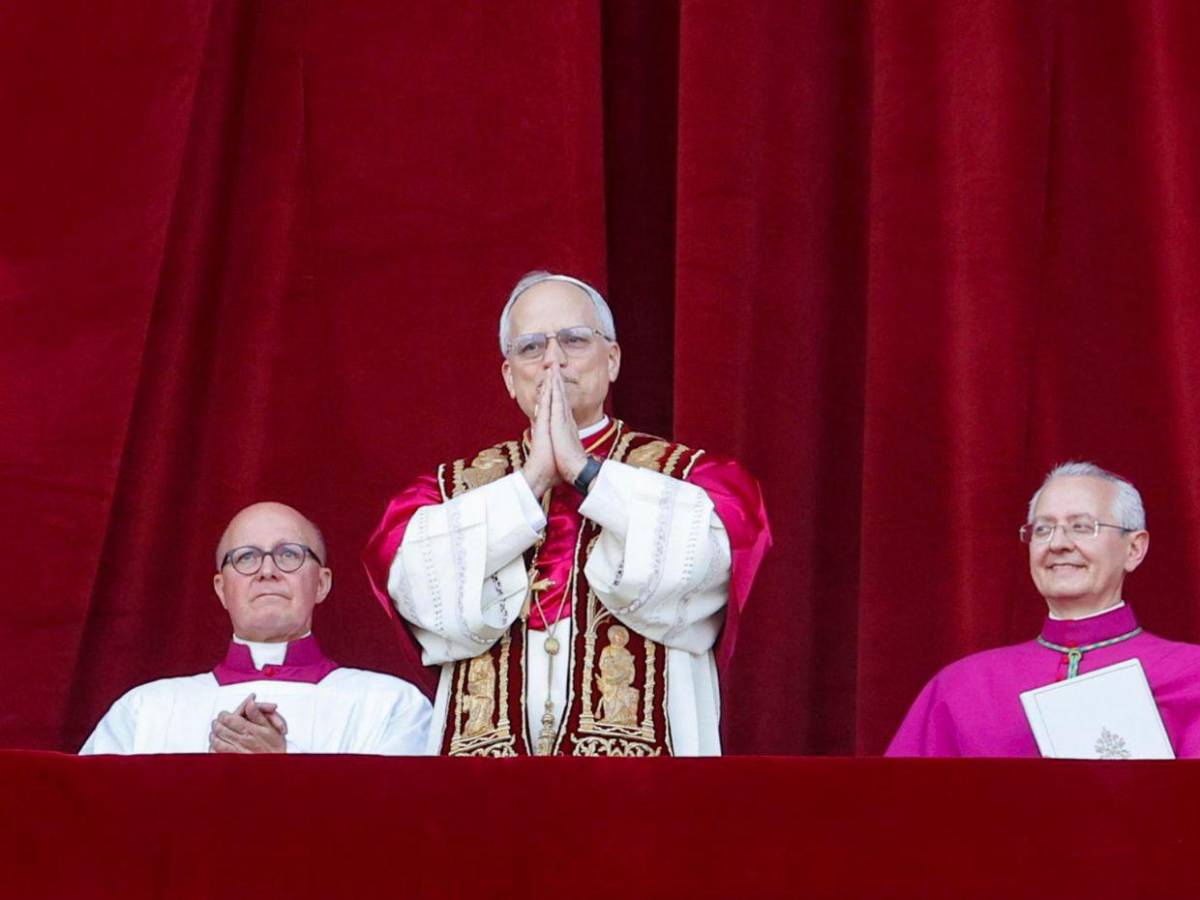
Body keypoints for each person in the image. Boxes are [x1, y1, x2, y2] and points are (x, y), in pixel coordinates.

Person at [364, 271, 771, 756]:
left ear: (613, 359)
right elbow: (413, 584)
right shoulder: (446, 492)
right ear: (508, 375)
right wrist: (530, 483)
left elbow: (708, 562)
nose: (553, 360)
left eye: (575, 341)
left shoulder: (691, 478)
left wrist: (584, 472)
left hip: (641, 786)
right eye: (531, 348)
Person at [887, 461, 1200, 757]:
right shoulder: (962, 686)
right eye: (1042, 529)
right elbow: (898, 804)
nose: (1058, 543)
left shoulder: (1191, 674)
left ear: (1134, 548)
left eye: (1081, 526)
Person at [81, 502, 431, 754]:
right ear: (221, 588)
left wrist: (284, 769)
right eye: (246, 557)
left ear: (322, 583)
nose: (267, 571)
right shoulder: (145, 711)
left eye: (289, 554)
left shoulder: (392, 706)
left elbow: (404, 832)